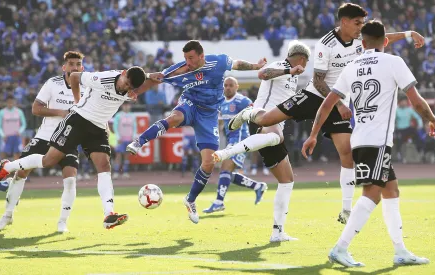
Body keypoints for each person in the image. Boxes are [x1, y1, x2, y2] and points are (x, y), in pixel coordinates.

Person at [225, 3, 425, 225]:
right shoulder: (325, 44)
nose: (361, 27)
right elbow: (319, 80)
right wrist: (339, 103)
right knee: (266, 119)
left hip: (339, 102)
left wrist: (409, 34)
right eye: (357, 23)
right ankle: (247, 114)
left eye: (363, 24)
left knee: (346, 153)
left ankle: (346, 209)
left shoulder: (361, 39)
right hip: (314, 96)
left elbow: (382, 37)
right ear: (345, 22)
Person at [302, 20, 435, 267]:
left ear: (362, 43)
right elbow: (416, 100)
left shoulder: (352, 66)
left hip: (360, 139)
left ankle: (400, 250)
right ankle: (340, 248)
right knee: (372, 193)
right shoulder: (394, 62)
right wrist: (432, 119)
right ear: (386, 41)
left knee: (391, 190)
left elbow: (327, 103)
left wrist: (313, 134)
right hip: (376, 142)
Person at [0, 66, 147, 230]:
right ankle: (7, 167)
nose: (125, 87)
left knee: (104, 166)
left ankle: (109, 214)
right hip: (78, 120)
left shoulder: (128, 85)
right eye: (126, 83)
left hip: (98, 127)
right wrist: (78, 101)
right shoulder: (103, 78)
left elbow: (141, 82)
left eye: (130, 87)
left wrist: (151, 77)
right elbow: (75, 77)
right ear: (122, 74)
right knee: (49, 160)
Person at [128, 40, 266, 224]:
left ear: (202, 55)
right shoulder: (181, 69)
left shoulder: (218, 62)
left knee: (209, 163)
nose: (188, 62)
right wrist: (135, 90)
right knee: (174, 118)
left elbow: (237, 64)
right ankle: (140, 141)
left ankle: (190, 200)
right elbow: (156, 78)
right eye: (185, 58)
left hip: (208, 115)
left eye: (191, 58)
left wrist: (256, 66)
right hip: (190, 104)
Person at [213, 41, 309, 242]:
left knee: (287, 181)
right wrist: (289, 69)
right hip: (262, 117)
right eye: (305, 63)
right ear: (302, 59)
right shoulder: (282, 65)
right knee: (277, 136)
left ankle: (277, 232)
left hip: (269, 130)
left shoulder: (293, 76)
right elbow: (262, 74)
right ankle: (226, 152)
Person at [0, 51, 87, 232]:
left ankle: (62, 222)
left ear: (82, 68)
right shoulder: (52, 83)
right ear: (64, 67)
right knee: (21, 173)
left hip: (68, 139)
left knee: (70, 179)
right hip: (44, 136)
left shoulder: (87, 87)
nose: (74, 67)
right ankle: (7, 215)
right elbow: (36, 108)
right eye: (71, 64)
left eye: (78, 64)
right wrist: (61, 112)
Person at [203, 77, 267, 214]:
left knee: (225, 168)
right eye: (225, 85)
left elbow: (257, 111)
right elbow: (221, 122)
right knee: (228, 174)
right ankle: (258, 186)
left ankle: (219, 202)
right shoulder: (221, 102)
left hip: (240, 140)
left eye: (231, 85)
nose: (228, 88)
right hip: (231, 140)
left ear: (237, 86)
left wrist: (262, 128)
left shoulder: (242, 101)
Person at [112, 103, 136, 179]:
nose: (126, 107)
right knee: (118, 155)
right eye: (125, 105)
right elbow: (115, 126)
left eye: (128, 105)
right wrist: (118, 136)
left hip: (129, 138)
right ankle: (116, 172)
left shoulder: (132, 116)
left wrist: (134, 136)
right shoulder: (118, 115)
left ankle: (125, 172)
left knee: (126, 155)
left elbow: (134, 127)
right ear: (122, 106)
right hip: (120, 139)